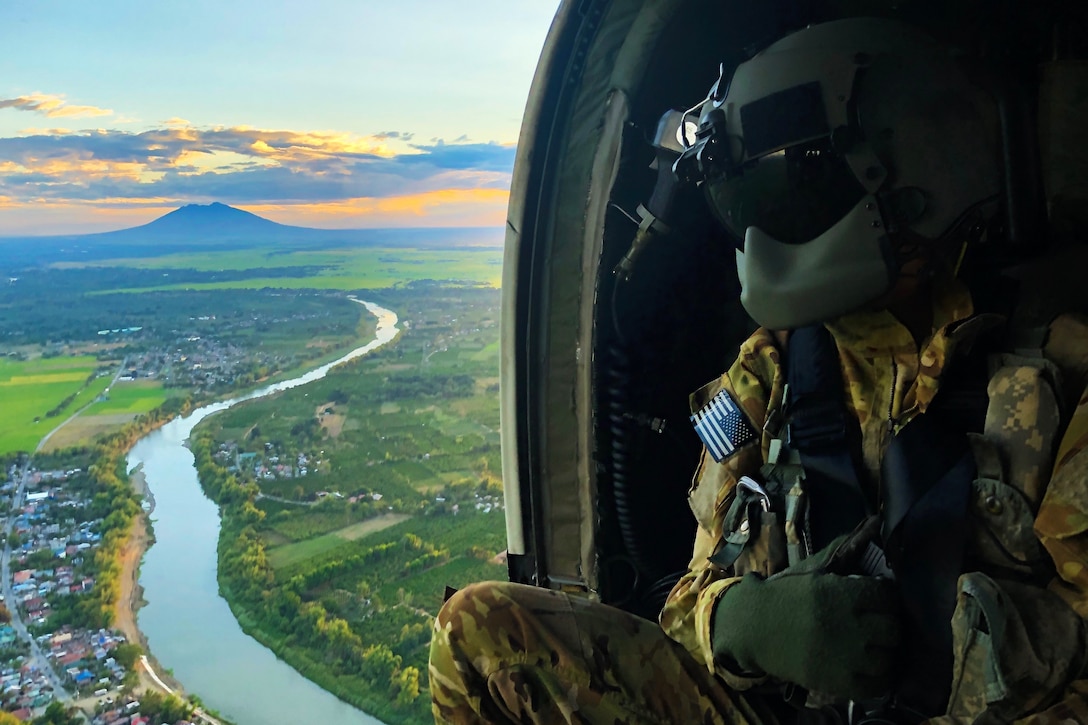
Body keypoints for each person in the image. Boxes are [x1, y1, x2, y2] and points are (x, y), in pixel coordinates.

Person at [429, 17, 1088, 724]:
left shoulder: (1053, 382)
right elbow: (687, 603)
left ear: (907, 179)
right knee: (476, 631)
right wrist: (743, 619)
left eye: (796, 189)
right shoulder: (770, 369)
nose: (770, 221)